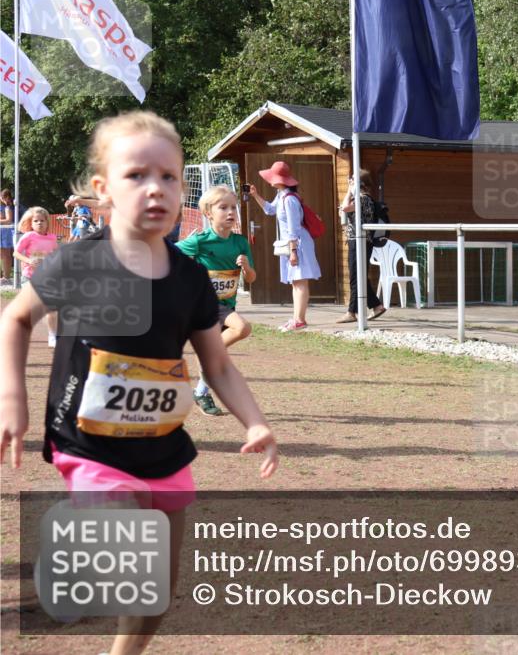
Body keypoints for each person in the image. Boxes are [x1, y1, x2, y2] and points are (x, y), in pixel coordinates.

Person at [0, 110, 278, 655]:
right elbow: (15, 318)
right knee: (134, 554)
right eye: (136, 176)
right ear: (104, 190)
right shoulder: (77, 261)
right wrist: (13, 398)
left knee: (155, 596)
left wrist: (257, 421)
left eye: (169, 177)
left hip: (165, 451)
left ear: (183, 190)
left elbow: (217, 364)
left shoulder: (189, 278)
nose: (156, 188)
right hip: (90, 443)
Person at [177, 186, 257, 416]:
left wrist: (247, 266)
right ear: (208, 213)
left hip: (226, 305)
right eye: (223, 207)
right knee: (242, 327)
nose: (231, 212)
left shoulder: (240, 243)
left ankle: (201, 391)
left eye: (233, 207)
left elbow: (251, 278)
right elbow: (169, 255)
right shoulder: (200, 241)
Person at [249, 161, 321, 332]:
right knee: (295, 281)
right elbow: (269, 210)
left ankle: (300, 319)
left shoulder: (289, 200)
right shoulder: (281, 195)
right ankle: (297, 318)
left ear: (279, 179)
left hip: (298, 244)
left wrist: (294, 251)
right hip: (293, 243)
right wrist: (255, 195)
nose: (270, 180)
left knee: (300, 280)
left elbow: (294, 227)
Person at [336, 169, 385, 323]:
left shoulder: (363, 199)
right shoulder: (361, 199)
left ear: (359, 184)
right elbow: (343, 213)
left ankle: (352, 312)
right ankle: (377, 306)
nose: (349, 183)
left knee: (355, 277)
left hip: (360, 241)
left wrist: (349, 192)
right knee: (359, 276)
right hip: (356, 240)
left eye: (352, 181)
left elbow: (344, 208)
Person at [13, 207, 59, 347]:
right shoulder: (28, 236)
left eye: (42, 220)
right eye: (36, 221)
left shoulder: (52, 237)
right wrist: (28, 261)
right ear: (31, 223)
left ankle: (52, 336)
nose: (39, 223)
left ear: (47, 222)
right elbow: (16, 253)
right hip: (29, 276)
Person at [1, 189, 15, 285]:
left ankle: (6, 277)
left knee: (6, 255)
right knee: (3, 255)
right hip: (2, 231)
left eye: (3, 197)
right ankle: (5, 277)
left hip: (5, 231)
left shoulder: (7, 207)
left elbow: (9, 220)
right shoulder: (4, 206)